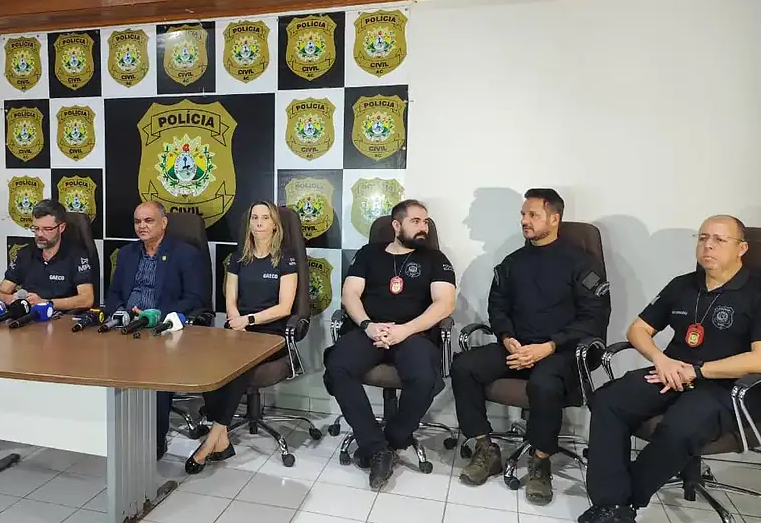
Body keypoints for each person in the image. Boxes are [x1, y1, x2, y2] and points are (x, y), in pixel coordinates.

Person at [580, 215, 761, 523]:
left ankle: (626, 503)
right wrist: (659, 359)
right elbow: (638, 329)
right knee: (608, 401)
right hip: (672, 371)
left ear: (742, 248)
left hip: (726, 386)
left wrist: (698, 371)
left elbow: (758, 359)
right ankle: (610, 503)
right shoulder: (682, 285)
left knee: (679, 427)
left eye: (719, 239)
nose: (708, 245)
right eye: (703, 238)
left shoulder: (756, 292)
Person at [452, 188, 610, 505]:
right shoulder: (513, 262)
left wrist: (549, 346)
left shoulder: (582, 263)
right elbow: (497, 306)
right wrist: (507, 338)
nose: (524, 220)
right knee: (463, 367)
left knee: (543, 383)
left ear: (554, 219)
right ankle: (485, 448)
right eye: (523, 215)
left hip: (562, 351)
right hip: (517, 346)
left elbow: (594, 317)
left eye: (533, 215)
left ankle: (540, 462)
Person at [323, 199, 457, 489]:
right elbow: (349, 295)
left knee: (424, 377)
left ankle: (391, 440)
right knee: (338, 367)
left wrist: (404, 330)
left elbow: (445, 303)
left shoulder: (435, 259)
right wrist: (368, 326)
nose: (423, 228)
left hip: (413, 334)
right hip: (370, 330)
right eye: (416, 221)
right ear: (396, 225)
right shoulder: (369, 254)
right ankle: (377, 447)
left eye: (425, 222)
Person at [185, 201, 298, 474]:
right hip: (239, 329)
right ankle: (222, 439)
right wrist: (236, 321)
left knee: (240, 367)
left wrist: (249, 321)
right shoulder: (238, 257)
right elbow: (230, 299)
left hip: (271, 332)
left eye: (265, 218)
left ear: (275, 225)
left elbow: (285, 307)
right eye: (254, 217)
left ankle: (213, 438)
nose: (258, 222)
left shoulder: (286, 258)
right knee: (206, 362)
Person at [105, 201, 208, 460]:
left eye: (148, 221)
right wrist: (120, 311)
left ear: (164, 223)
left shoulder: (185, 254)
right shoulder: (127, 254)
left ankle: (154, 440)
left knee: (154, 370)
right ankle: (110, 434)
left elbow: (195, 298)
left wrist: (157, 316)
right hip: (127, 326)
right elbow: (114, 293)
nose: (142, 226)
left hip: (163, 330)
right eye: (138, 221)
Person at [0, 199, 95, 311]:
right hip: (27, 316)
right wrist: (11, 299)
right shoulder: (25, 253)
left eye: (47, 229)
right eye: (36, 228)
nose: (40, 234)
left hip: (60, 317)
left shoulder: (77, 255)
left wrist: (46, 303)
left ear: (61, 227)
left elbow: (87, 299)